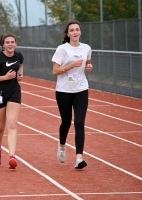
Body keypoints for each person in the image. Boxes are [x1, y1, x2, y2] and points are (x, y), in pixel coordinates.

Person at [52, 20, 93, 169]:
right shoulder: (62, 49)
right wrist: (71, 65)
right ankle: (62, 146)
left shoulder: (86, 48)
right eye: (72, 30)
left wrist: (89, 66)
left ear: (80, 32)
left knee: (80, 122)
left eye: (77, 29)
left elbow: (88, 62)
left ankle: (79, 158)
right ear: (68, 34)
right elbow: (55, 71)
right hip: (64, 90)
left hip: (81, 89)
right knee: (66, 122)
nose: (75, 32)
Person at [0, 33, 24, 169]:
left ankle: (12, 156)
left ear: (16, 43)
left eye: (12, 42)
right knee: (1, 127)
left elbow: (20, 65)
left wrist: (20, 75)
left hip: (14, 92)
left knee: (12, 124)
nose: (10, 44)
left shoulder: (18, 55)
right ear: (3, 44)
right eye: (7, 42)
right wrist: (5, 77)